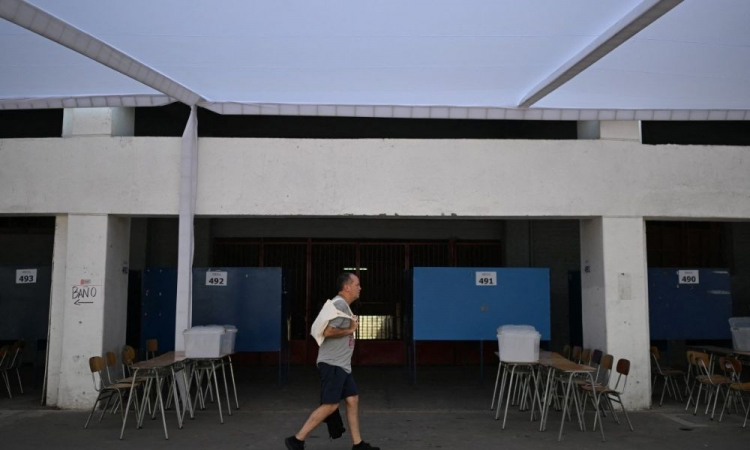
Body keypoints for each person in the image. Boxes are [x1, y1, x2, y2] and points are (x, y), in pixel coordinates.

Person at [285, 273, 380, 450]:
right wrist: (350, 330)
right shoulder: (339, 305)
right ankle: (297, 439)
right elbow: (328, 331)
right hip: (333, 364)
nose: (360, 288)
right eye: (357, 284)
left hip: (342, 365)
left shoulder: (343, 306)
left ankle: (358, 444)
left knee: (352, 399)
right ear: (347, 287)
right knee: (331, 405)